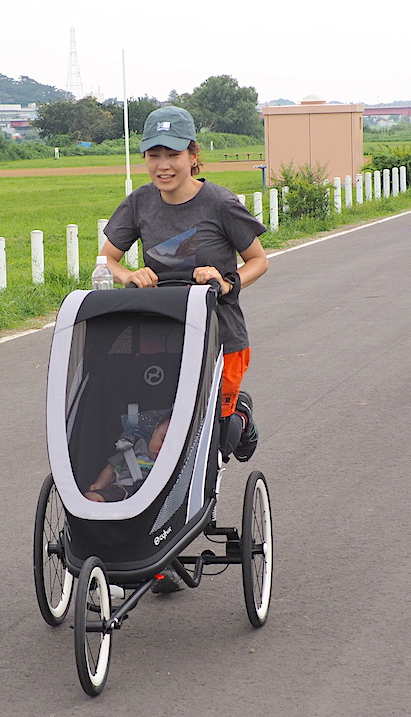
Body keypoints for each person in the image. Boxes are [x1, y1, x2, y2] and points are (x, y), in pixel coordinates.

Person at [99, 106, 268, 467]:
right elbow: (107, 260)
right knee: (159, 426)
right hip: (161, 331)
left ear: (193, 155)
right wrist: (128, 274)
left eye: (173, 154)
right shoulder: (139, 203)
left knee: (219, 439)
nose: (163, 165)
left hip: (220, 334)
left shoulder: (220, 203)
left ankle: (240, 414)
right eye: (154, 155)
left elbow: (258, 260)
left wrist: (226, 282)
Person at [85, 417, 170, 503]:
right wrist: (100, 484)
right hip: (122, 489)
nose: (163, 447)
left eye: (170, 446)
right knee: (90, 498)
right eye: (162, 439)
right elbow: (110, 468)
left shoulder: (171, 464)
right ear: (156, 430)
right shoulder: (132, 449)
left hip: (152, 497)